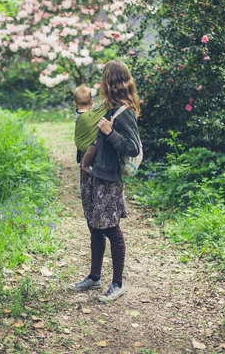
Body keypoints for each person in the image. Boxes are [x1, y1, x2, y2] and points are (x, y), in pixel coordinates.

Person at [69, 60, 141, 303]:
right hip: (91, 175)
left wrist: (111, 133)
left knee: (111, 229)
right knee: (94, 226)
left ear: (110, 82)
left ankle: (118, 283)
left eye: (103, 78)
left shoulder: (124, 112)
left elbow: (132, 148)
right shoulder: (105, 107)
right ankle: (94, 277)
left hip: (108, 178)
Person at [73, 85, 107, 174]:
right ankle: (86, 165)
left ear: (75, 103)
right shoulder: (87, 116)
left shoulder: (79, 113)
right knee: (93, 146)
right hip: (86, 144)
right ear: (91, 101)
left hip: (80, 143)